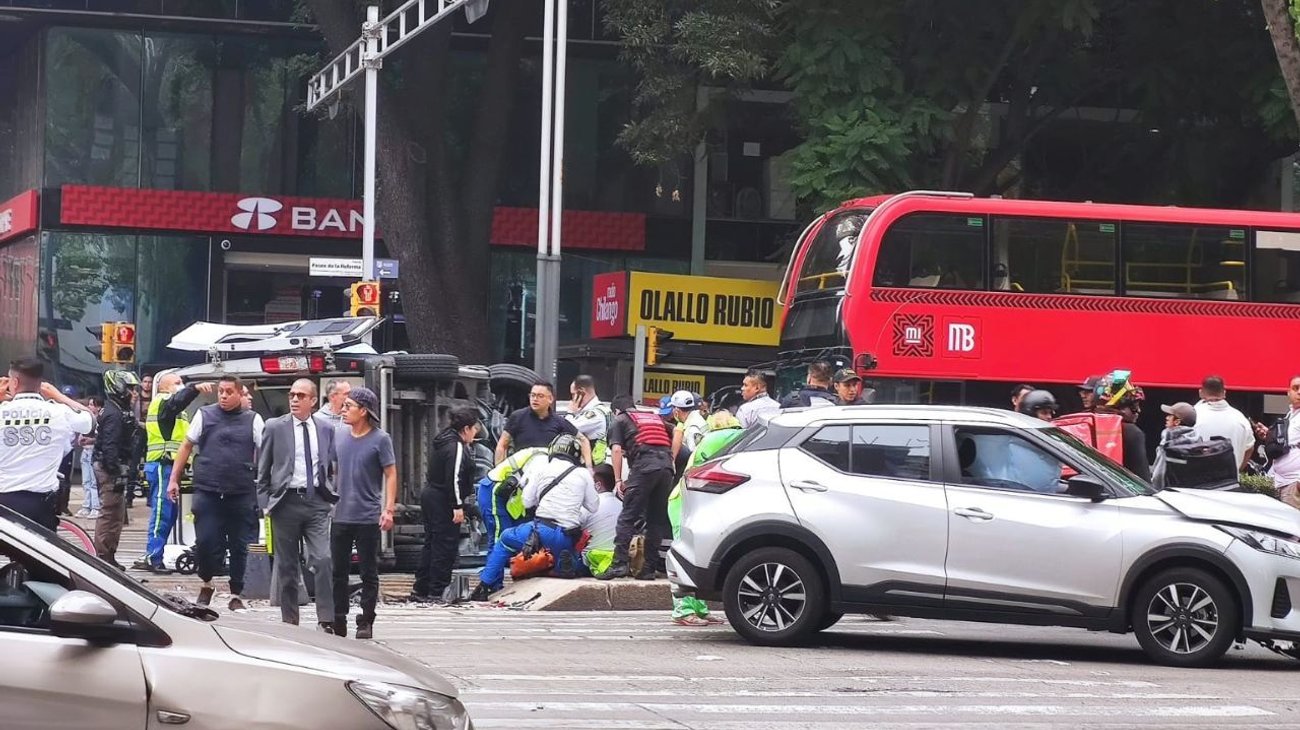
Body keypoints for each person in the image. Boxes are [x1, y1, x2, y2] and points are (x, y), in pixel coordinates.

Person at [166, 375, 265, 611]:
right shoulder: (205, 415)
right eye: (221, 391)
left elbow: (267, 451)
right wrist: (174, 479)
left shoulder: (253, 419)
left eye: (229, 392)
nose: (223, 395)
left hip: (240, 492)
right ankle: (207, 582)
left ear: (240, 394)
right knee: (207, 541)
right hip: (208, 491)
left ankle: (236, 593)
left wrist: (266, 482)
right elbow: (186, 446)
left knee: (242, 545)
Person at [469, 433, 598, 600]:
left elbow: (527, 501)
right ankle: (570, 565)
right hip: (567, 534)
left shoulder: (541, 468)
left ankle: (485, 585)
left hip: (541, 531)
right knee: (571, 560)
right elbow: (593, 506)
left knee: (504, 540)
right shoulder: (582, 474)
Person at [257, 379, 338, 631]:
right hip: (285, 502)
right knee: (287, 565)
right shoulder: (274, 427)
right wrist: (265, 504)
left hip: (316, 502)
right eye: (292, 395)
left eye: (300, 396)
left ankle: (326, 619)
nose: (294, 399)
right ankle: (290, 621)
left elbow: (331, 465)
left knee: (323, 559)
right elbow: (263, 469)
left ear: (313, 401)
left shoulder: (325, 428)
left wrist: (331, 493)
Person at [328, 386, 397, 639]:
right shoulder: (339, 435)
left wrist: (388, 509)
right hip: (340, 514)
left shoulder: (381, 439)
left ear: (364, 411)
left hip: (367, 515)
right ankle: (339, 618)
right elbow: (332, 470)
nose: (343, 410)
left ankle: (366, 619)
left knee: (368, 571)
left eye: (349, 406)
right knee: (338, 571)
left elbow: (390, 474)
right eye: (343, 405)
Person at [0, 358, 94, 530]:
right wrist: (59, 396)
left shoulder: (2, 411)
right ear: (41, 384)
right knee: (40, 552)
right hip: (42, 502)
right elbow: (90, 422)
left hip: (4, 499)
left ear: (14, 382)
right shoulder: (58, 411)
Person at [135, 372, 212, 573]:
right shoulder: (164, 402)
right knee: (162, 513)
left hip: (168, 467)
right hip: (162, 465)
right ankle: (153, 557)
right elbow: (177, 401)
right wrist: (194, 388)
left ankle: (153, 554)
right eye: (176, 383)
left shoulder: (173, 409)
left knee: (169, 514)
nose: (180, 386)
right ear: (164, 388)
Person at [600, 394, 675, 581]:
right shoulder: (654, 417)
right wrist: (670, 459)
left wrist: (618, 480)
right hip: (666, 469)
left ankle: (619, 565)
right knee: (656, 520)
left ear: (616, 410)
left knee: (627, 517)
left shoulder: (620, 419)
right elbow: (677, 432)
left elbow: (616, 450)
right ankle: (648, 569)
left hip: (644, 468)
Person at [411, 406, 479, 604]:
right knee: (445, 546)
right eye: (474, 430)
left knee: (432, 543)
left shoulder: (444, 439)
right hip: (443, 499)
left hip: (433, 495)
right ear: (466, 429)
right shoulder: (456, 446)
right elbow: (453, 477)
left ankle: (422, 588)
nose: (475, 434)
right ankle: (437, 589)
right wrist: (457, 506)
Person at [93, 369, 141, 567]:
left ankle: (109, 555)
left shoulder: (117, 409)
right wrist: (116, 471)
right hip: (110, 467)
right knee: (110, 512)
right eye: (130, 389)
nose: (135, 393)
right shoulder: (113, 412)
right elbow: (110, 446)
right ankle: (103, 557)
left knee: (117, 514)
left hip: (115, 466)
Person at [477, 446, 548, 554]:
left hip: (511, 497)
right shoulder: (542, 461)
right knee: (500, 541)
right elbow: (530, 496)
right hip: (495, 491)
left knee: (515, 542)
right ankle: (494, 570)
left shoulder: (546, 457)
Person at [495, 381, 578, 463]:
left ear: (550, 399)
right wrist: (498, 469)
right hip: (522, 471)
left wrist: (588, 466)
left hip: (547, 471)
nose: (535, 399)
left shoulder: (559, 421)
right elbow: (502, 445)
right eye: (532, 395)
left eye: (540, 396)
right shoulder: (517, 417)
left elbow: (582, 439)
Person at [1094, 371, 1151, 481]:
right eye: (1133, 406)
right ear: (1119, 407)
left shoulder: (1088, 424)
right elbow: (1142, 479)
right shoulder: (1132, 432)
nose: (1138, 410)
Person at [1194, 375, 1254, 472]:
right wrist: (1237, 471)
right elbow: (1249, 448)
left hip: (1196, 480)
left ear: (1200, 393)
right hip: (1230, 482)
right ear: (1224, 393)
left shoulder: (1192, 416)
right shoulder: (1240, 418)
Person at [1257, 375, 1300, 508]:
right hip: (1284, 482)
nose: (1299, 392)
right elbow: (1286, 441)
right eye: (1295, 388)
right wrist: (1269, 436)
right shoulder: (1291, 415)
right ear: (1288, 392)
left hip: (1294, 482)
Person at [579, 463, 622, 577]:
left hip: (589, 562)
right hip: (617, 561)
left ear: (597, 485)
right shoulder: (624, 507)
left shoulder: (587, 507)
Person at [1151, 402, 1201, 489]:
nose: (1166, 418)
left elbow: (1158, 476)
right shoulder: (1197, 439)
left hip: (1168, 494)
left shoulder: (1169, 443)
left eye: (1170, 416)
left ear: (1177, 422)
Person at [567, 375, 612, 464]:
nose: (572, 399)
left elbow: (567, 429)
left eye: (573, 394)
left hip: (594, 466)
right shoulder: (599, 410)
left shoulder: (595, 414)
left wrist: (570, 412)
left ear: (582, 392)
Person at [74, 397, 102, 520]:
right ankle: (86, 506)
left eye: (92, 405)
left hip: (93, 451)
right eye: (89, 404)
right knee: (86, 481)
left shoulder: (100, 420)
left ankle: (96, 507)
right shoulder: (87, 419)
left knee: (93, 482)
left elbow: (101, 437)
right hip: (85, 451)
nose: (90, 407)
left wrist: (92, 440)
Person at [668, 390, 708, 465]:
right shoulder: (695, 419)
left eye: (673, 408)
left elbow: (693, 456)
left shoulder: (692, 428)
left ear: (677, 410)